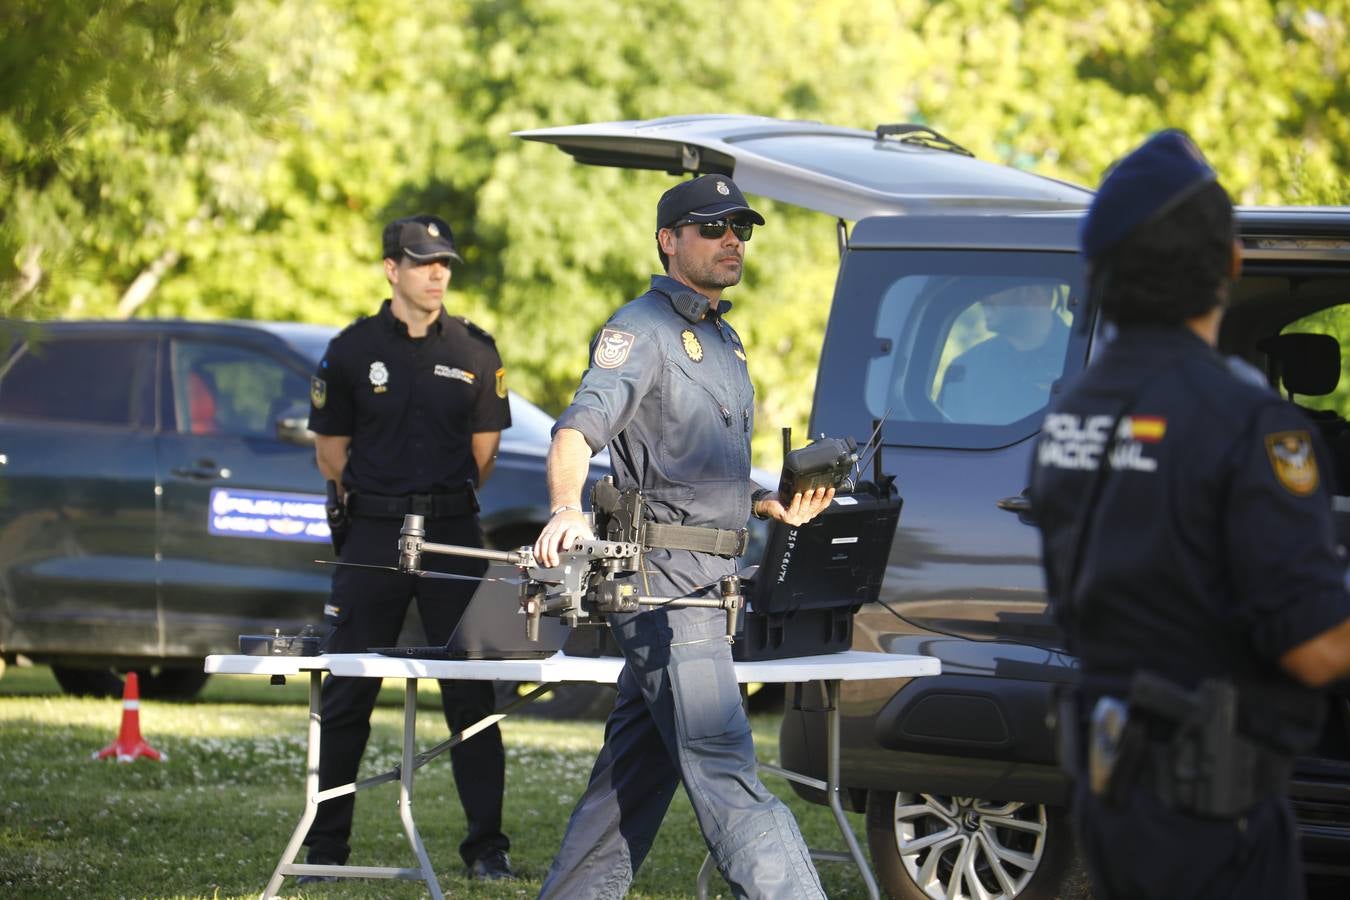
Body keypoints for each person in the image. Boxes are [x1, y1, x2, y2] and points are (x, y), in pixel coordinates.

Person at [1028, 131, 1350, 900]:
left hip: (1112, 796)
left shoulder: (1069, 413)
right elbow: (1314, 652)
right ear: (1231, 262)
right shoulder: (1251, 424)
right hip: (1218, 814)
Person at [532, 174, 834, 898]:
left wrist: (769, 504)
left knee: (627, 789)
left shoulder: (722, 339)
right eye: (713, 227)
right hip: (666, 598)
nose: (732, 240)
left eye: (741, 228)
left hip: (706, 589)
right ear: (670, 240)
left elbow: (691, 472)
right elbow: (578, 426)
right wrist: (565, 508)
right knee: (729, 776)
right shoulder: (641, 331)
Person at [301, 214, 514, 882]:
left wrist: (432, 504)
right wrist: (388, 501)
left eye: (443, 262)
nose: (437, 273)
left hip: (452, 536)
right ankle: (325, 850)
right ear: (391, 268)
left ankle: (487, 852)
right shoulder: (349, 350)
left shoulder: (477, 352)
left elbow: (484, 456)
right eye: (422, 262)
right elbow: (330, 454)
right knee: (348, 691)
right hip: (372, 537)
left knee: (472, 695)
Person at [938, 280, 1069, 423]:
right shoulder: (965, 370)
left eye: (995, 288)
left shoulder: (1087, 360)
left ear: (1033, 293)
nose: (982, 299)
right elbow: (940, 437)